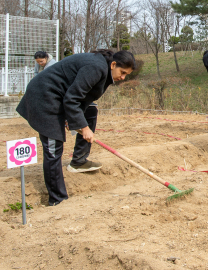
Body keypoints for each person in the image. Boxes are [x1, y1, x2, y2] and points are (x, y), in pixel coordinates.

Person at [16, 49, 135, 205]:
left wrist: (73, 120)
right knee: (54, 146)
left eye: (126, 75)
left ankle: (78, 161)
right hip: (44, 96)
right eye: (123, 72)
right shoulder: (96, 67)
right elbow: (72, 99)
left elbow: (84, 99)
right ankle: (57, 199)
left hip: (59, 97)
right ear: (113, 64)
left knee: (90, 110)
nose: (123, 77)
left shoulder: (104, 70)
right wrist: (84, 128)